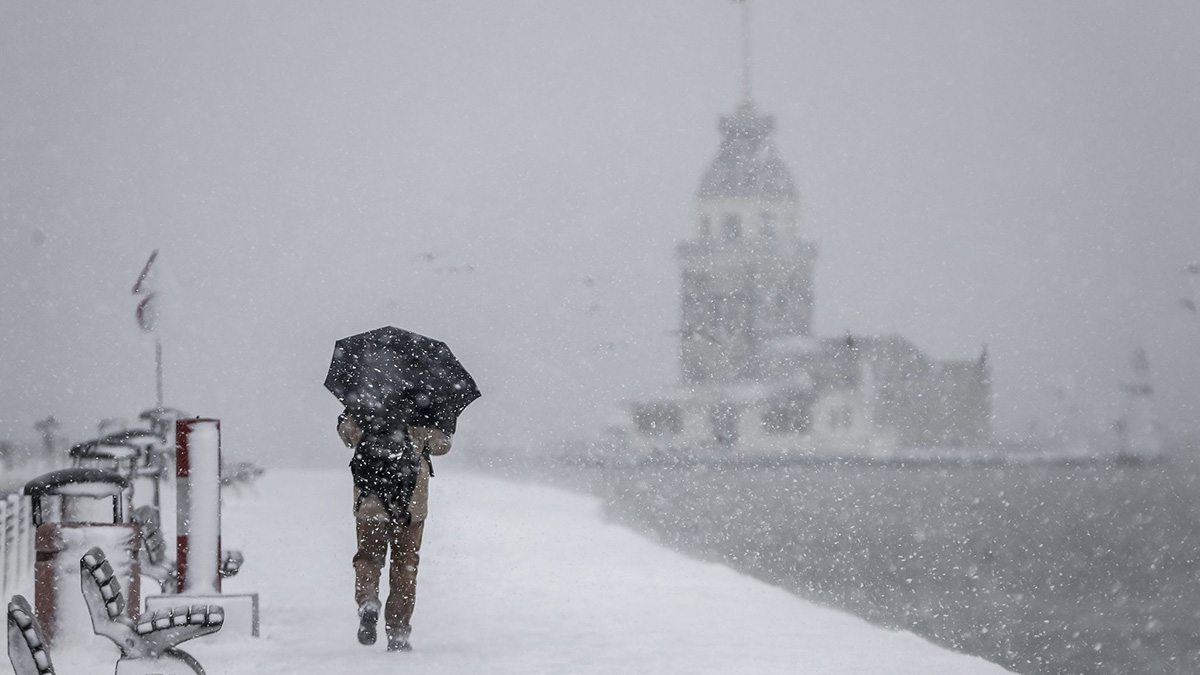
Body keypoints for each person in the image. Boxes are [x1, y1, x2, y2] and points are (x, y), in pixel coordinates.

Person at [337, 407, 452, 652]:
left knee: (368, 556)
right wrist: (442, 424)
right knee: (405, 564)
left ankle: (368, 601)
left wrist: (346, 416)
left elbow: (348, 435)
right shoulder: (423, 405)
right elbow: (442, 445)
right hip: (410, 505)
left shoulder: (365, 400)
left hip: (371, 502)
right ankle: (398, 630)